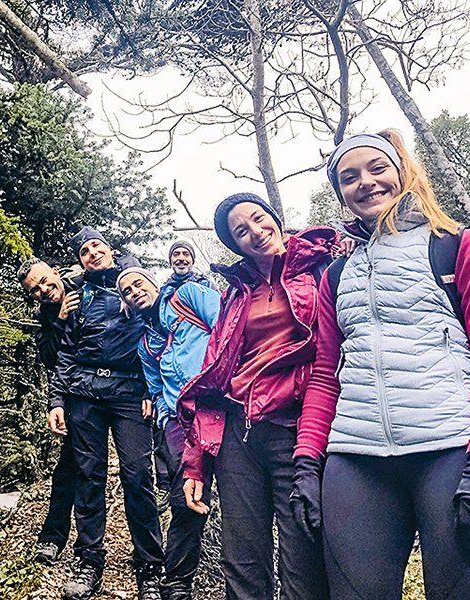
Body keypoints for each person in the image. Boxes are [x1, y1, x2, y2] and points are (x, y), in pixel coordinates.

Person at [291, 130, 470, 600]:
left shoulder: (458, 247)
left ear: (402, 171)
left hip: (455, 450)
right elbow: (324, 375)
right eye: (349, 177)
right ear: (340, 194)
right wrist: (305, 464)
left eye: (377, 168)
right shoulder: (335, 276)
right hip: (357, 461)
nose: (366, 183)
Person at [177, 193, 334, 600]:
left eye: (259, 219)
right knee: (242, 558)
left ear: (275, 218)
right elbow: (214, 374)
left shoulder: (323, 266)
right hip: (237, 434)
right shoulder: (234, 293)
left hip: (297, 428)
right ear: (234, 245)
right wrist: (195, 462)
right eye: (240, 231)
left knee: (303, 555)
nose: (256, 232)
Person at [49, 227, 164, 600]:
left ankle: (150, 566)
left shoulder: (134, 283)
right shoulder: (77, 297)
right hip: (84, 394)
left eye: (97, 246)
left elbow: (157, 337)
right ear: (80, 260)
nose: (92, 253)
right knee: (88, 476)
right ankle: (88, 561)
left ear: (110, 250)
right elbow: (66, 351)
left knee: (137, 475)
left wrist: (152, 389)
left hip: (130, 392)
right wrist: (56, 401)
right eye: (84, 250)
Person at [117, 265, 221, 600]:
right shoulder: (145, 343)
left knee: (237, 492)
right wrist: (167, 419)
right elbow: (157, 388)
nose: (135, 292)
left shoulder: (187, 296)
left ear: (152, 281)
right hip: (181, 422)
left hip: (222, 405)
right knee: (185, 498)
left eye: (138, 284)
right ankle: (177, 581)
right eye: (127, 292)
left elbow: (229, 327)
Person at [17, 258, 81, 564]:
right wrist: (61, 320)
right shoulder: (43, 320)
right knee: (68, 468)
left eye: (44, 280)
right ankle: (52, 538)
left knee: (134, 470)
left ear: (55, 273)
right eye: (35, 289)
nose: (43, 289)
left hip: (117, 389)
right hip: (74, 397)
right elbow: (52, 362)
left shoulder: (86, 287)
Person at [150, 240, 218, 513]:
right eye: (175, 254)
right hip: (176, 400)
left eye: (185, 254)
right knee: (185, 475)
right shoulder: (161, 297)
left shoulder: (202, 288)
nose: (180, 258)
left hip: (208, 391)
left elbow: (221, 327)